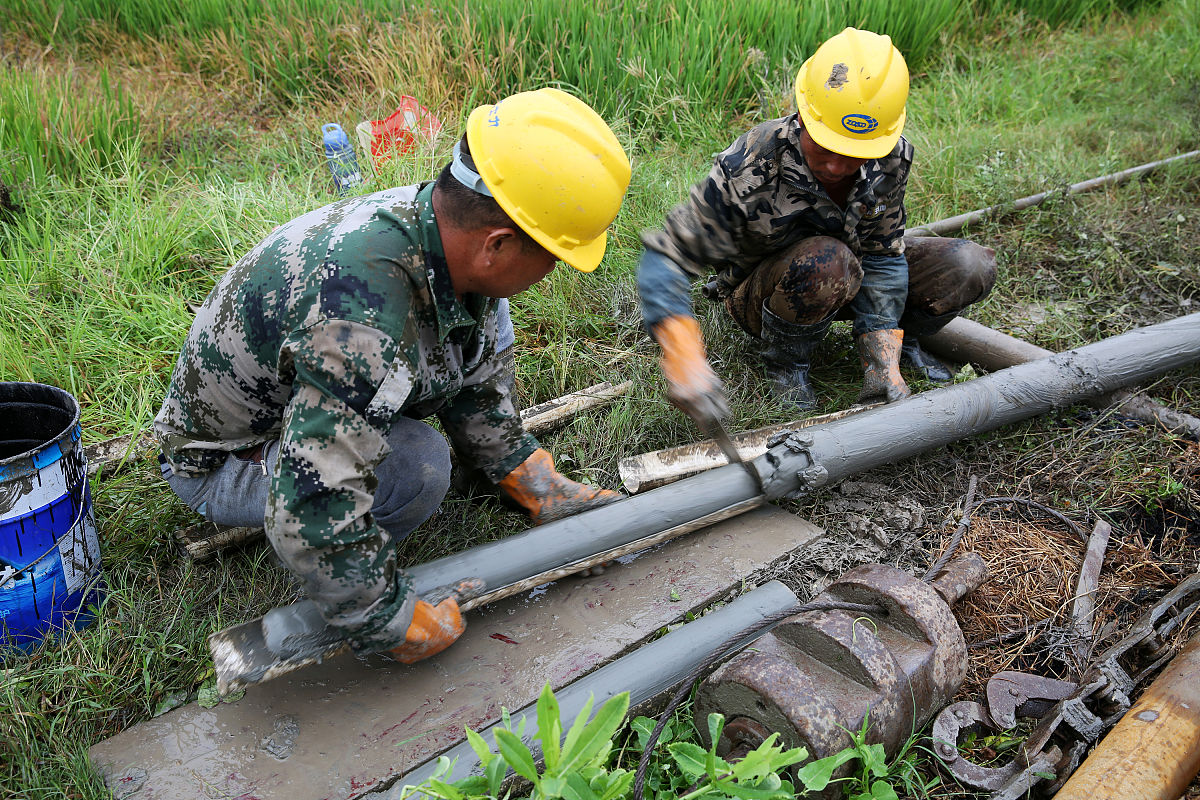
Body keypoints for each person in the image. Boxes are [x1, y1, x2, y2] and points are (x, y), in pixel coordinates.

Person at [153, 88, 632, 664]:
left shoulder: (445, 239)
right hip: (228, 459)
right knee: (418, 466)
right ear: (498, 243)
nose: (552, 272)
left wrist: (526, 476)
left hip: (309, 400)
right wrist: (385, 618)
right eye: (553, 257)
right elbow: (313, 496)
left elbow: (473, 372)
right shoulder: (362, 315)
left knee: (483, 328)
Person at [637, 27, 996, 427]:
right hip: (764, 293)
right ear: (804, 115)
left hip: (848, 275)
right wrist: (681, 350)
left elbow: (883, 252)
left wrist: (882, 346)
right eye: (825, 147)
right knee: (829, 258)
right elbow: (665, 258)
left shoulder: (891, 156)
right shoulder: (752, 162)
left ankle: (903, 346)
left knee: (968, 265)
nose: (837, 166)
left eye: (856, 154)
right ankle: (787, 365)